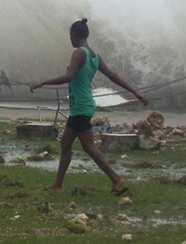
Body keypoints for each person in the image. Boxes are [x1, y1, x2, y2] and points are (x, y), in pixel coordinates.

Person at [30, 18, 149, 196]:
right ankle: (57, 185)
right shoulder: (95, 55)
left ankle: (116, 179)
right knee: (66, 144)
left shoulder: (79, 53)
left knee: (89, 146)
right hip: (83, 104)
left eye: (70, 36)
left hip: (80, 105)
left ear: (75, 35)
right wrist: (136, 92)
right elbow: (113, 76)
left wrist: (43, 82)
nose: (70, 39)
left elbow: (69, 76)